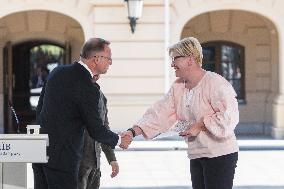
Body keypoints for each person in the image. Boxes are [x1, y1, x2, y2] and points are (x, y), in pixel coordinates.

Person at [123, 37, 239, 189]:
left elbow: (229, 116)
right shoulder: (178, 87)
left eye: (175, 59)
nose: (172, 64)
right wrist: (132, 132)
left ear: (190, 59)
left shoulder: (215, 82)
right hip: (197, 154)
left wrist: (201, 125)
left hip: (220, 155)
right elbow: (159, 113)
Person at [32, 38, 131, 189]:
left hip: (39, 153)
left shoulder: (57, 72)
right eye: (109, 58)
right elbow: (96, 129)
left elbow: (40, 110)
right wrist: (119, 140)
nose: (110, 62)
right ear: (96, 59)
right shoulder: (87, 87)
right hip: (63, 161)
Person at [78, 76, 119, 189]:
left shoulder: (101, 96)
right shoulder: (75, 94)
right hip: (78, 165)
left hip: (95, 164)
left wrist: (111, 159)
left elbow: (104, 130)